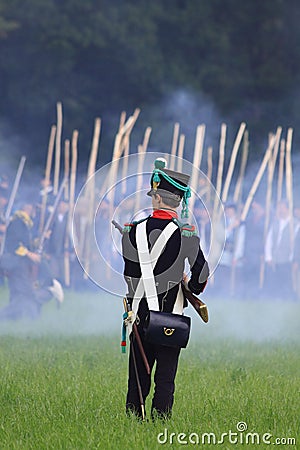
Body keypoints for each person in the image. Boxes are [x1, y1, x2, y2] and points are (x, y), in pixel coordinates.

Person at [121, 158, 209, 420]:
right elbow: (201, 275)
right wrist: (188, 286)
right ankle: (161, 423)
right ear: (178, 201)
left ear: (157, 198)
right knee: (166, 378)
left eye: (154, 195)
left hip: (140, 313)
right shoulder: (187, 234)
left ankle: (134, 421)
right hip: (171, 315)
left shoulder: (131, 232)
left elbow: (130, 276)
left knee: (138, 376)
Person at [0, 198, 63, 321]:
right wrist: (30, 254)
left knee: (18, 296)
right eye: (34, 208)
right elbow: (14, 245)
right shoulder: (18, 222)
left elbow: (28, 243)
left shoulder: (25, 223)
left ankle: (30, 318)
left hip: (20, 265)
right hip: (15, 265)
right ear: (28, 207)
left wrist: (42, 238)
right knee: (25, 296)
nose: (35, 211)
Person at [264, 199, 293, 299]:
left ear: (287, 209)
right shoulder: (275, 223)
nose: (280, 210)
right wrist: (268, 257)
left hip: (287, 259)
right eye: (279, 208)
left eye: (282, 208)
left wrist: (292, 257)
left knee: (286, 282)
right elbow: (269, 241)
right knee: (274, 283)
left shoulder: (295, 224)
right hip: (275, 259)